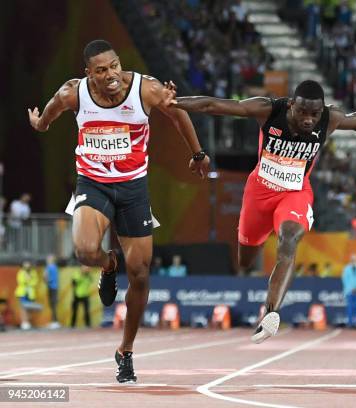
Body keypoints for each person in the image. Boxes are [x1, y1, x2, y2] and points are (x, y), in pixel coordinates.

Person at [166, 77, 356, 343]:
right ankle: (259, 277)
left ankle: (270, 314)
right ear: (291, 104)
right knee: (245, 261)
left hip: (295, 193)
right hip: (259, 192)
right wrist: (174, 101)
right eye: (302, 112)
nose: (308, 120)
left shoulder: (329, 119)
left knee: (289, 240)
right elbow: (214, 105)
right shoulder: (268, 109)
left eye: (314, 114)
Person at [27, 39, 209, 383]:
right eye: (101, 71)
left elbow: (178, 112)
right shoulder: (74, 93)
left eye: (114, 66)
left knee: (140, 273)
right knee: (84, 250)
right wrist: (41, 124)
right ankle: (109, 264)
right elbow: (51, 111)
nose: (111, 75)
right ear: (88, 74)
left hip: (132, 188)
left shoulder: (145, 89)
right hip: (93, 183)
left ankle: (125, 351)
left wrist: (198, 155)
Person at [14, 261, 42, 330]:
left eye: (28, 263)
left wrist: (29, 280)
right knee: (23, 308)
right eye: (25, 264)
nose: (27, 265)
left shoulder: (33, 272)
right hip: (22, 293)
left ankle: (28, 322)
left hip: (30, 293)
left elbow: (35, 281)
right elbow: (20, 281)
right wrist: (27, 280)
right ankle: (24, 322)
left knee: (29, 308)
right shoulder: (21, 272)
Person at [342, 254, 356, 328]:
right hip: (349, 291)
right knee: (350, 307)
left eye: (355, 259)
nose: (354, 261)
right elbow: (344, 280)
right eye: (352, 260)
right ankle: (350, 323)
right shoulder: (347, 268)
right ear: (350, 260)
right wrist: (350, 288)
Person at [44, 255, 61, 329]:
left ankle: (55, 321)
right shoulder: (55, 267)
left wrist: (46, 280)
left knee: (53, 305)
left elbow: (45, 277)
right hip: (55, 287)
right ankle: (54, 321)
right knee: (53, 305)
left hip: (52, 287)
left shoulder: (49, 267)